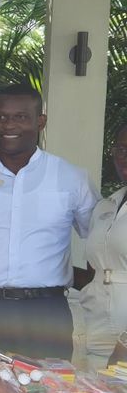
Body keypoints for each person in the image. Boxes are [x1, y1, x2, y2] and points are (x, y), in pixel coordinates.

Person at [0, 84, 99, 359]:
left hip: (47, 313)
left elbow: (100, 242)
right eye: (1, 117)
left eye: (20, 117)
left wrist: (98, 289)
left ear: (41, 122)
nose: (8, 125)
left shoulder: (71, 179)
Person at [75, 123, 127, 370]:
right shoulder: (106, 205)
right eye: (120, 149)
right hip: (93, 323)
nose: (124, 157)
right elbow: (94, 268)